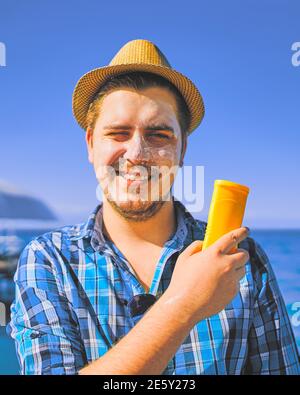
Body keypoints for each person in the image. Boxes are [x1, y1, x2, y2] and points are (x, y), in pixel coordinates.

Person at [7, 39, 300, 375]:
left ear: (183, 147)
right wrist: (183, 305)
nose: (137, 154)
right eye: (118, 133)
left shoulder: (243, 260)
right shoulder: (49, 260)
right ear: (91, 144)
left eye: (159, 134)